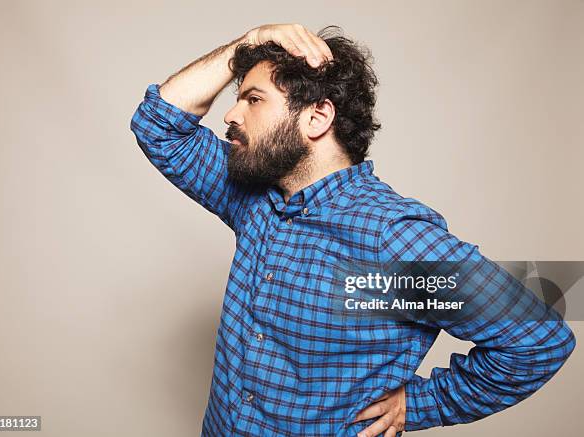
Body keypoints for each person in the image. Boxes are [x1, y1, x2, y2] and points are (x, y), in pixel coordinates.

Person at [130, 24, 576, 437]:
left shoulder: (393, 239)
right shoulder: (253, 200)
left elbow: (536, 341)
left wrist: (422, 404)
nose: (231, 113)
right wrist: (246, 43)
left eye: (253, 99)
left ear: (317, 117)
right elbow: (158, 125)